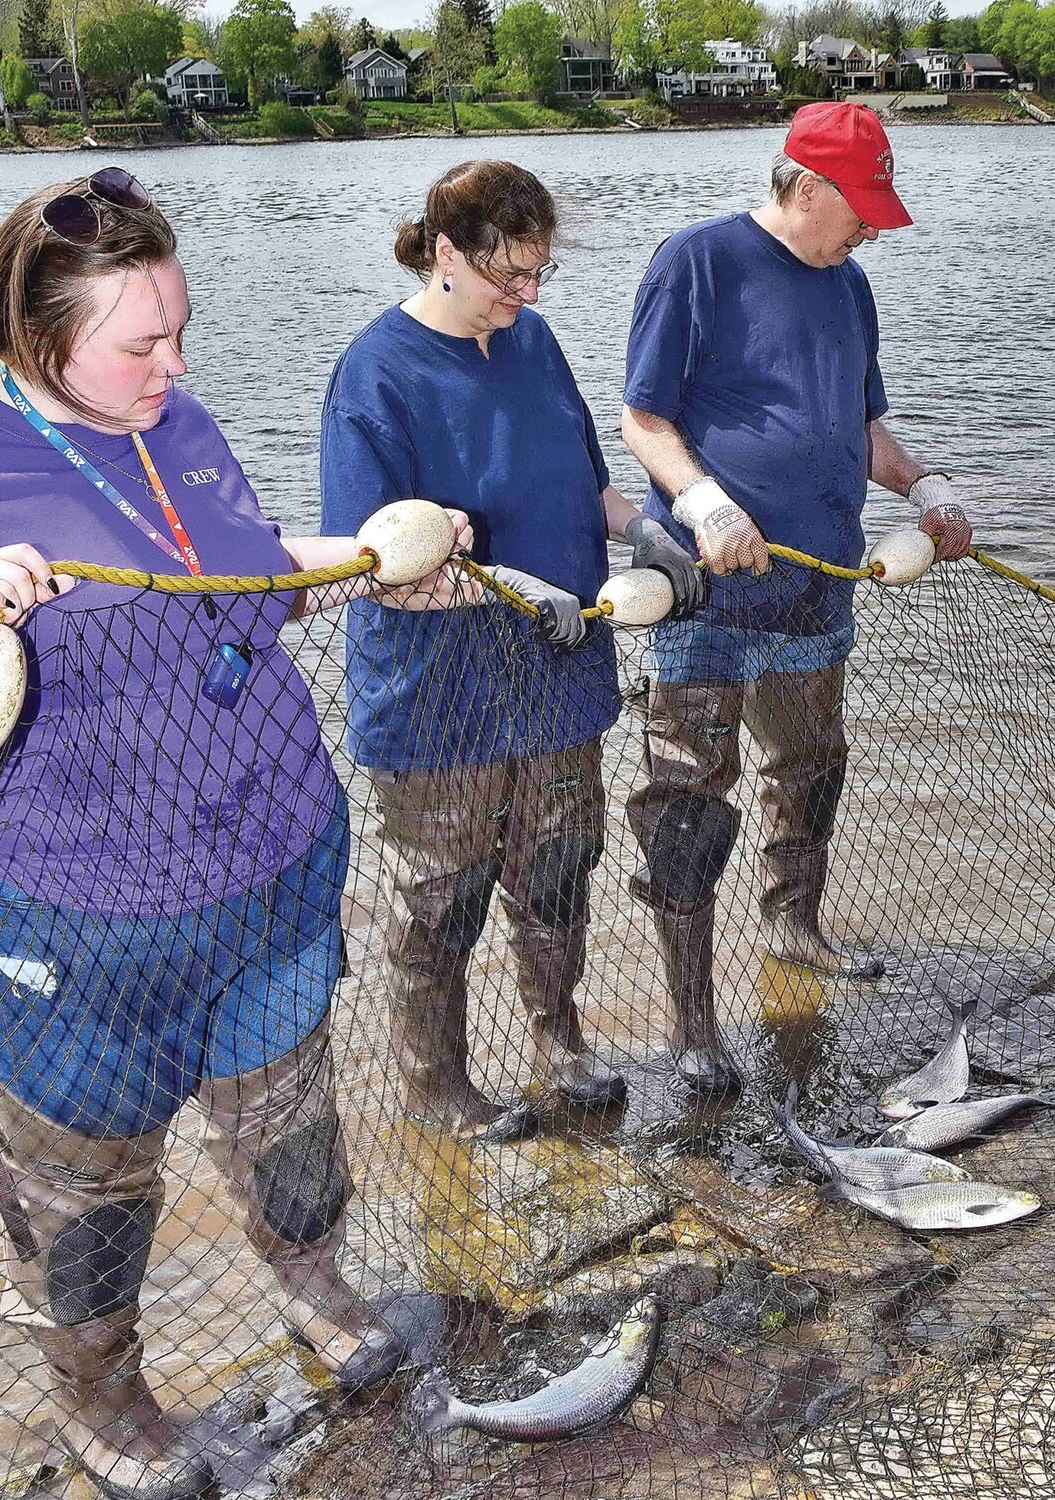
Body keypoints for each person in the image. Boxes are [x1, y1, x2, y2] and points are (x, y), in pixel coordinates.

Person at [0, 169, 424, 1500]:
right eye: (140, 343)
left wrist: (370, 552)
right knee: (90, 1195)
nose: (173, 362)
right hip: (81, 924)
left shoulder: (180, 420)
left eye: (181, 329)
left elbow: (232, 567)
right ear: (30, 335)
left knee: (290, 1127)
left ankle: (318, 1295)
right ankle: (104, 1407)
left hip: (270, 873)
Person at [321, 159, 703, 1141]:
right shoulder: (375, 375)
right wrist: (510, 587)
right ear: (445, 252)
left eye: (540, 275)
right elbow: (370, 565)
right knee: (440, 903)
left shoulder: (531, 341)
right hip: (434, 693)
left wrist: (644, 531)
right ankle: (436, 1087)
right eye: (506, 276)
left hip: (558, 676)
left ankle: (560, 1044)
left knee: (561, 871)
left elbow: (581, 481)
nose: (525, 297)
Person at [621, 102, 975, 1094]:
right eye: (858, 208)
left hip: (818, 592)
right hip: (711, 597)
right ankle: (693, 1020)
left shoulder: (847, 284)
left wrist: (926, 487)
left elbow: (864, 431)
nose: (869, 229)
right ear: (803, 187)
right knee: (688, 804)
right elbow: (643, 417)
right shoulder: (696, 261)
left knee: (812, 767)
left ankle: (792, 929)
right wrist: (699, 499)